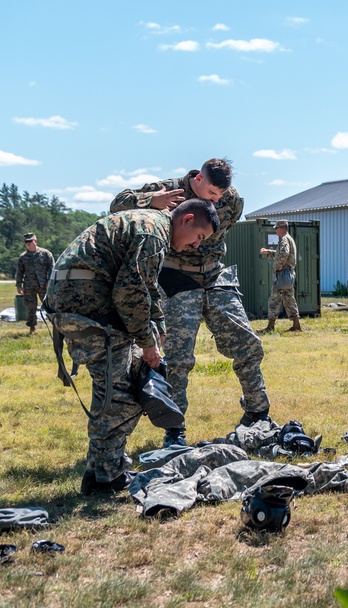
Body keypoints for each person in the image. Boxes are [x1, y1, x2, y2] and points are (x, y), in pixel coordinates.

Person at [44, 199, 219, 494]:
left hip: (76, 303)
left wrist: (158, 327)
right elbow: (130, 291)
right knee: (123, 393)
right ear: (187, 219)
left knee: (114, 389)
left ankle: (101, 472)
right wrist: (147, 344)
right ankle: (107, 477)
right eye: (199, 237)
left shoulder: (152, 225)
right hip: (87, 307)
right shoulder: (153, 234)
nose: (195, 246)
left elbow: (147, 286)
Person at [110, 158, 270, 447]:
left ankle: (258, 413)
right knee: (177, 359)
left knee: (247, 343)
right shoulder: (170, 191)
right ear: (198, 179)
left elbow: (226, 223)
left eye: (220, 196)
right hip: (177, 279)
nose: (217, 199)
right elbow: (118, 204)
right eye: (211, 194)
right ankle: (175, 431)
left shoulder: (231, 200)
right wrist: (151, 200)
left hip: (214, 274)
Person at [258, 220, 300, 333]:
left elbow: (284, 254)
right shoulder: (288, 238)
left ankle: (270, 326)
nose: (275, 230)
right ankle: (296, 325)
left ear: (281, 228)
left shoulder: (284, 239)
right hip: (288, 274)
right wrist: (269, 252)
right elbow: (281, 253)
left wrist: (277, 267)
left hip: (283, 274)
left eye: (276, 228)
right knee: (289, 299)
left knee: (274, 300)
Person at [14, 233, 54, 334]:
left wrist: (49, 282)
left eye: (30, 241)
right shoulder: (23, 257)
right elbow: (19, 272)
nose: (28, 243)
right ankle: (32, 328)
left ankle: (56, 325)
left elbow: (52, 268)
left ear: (35, 241)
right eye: (26, 242)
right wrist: (19, 285)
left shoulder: (45, 254)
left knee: (50, 306)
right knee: (30, 307)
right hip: (29, 286)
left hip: (43, 285)